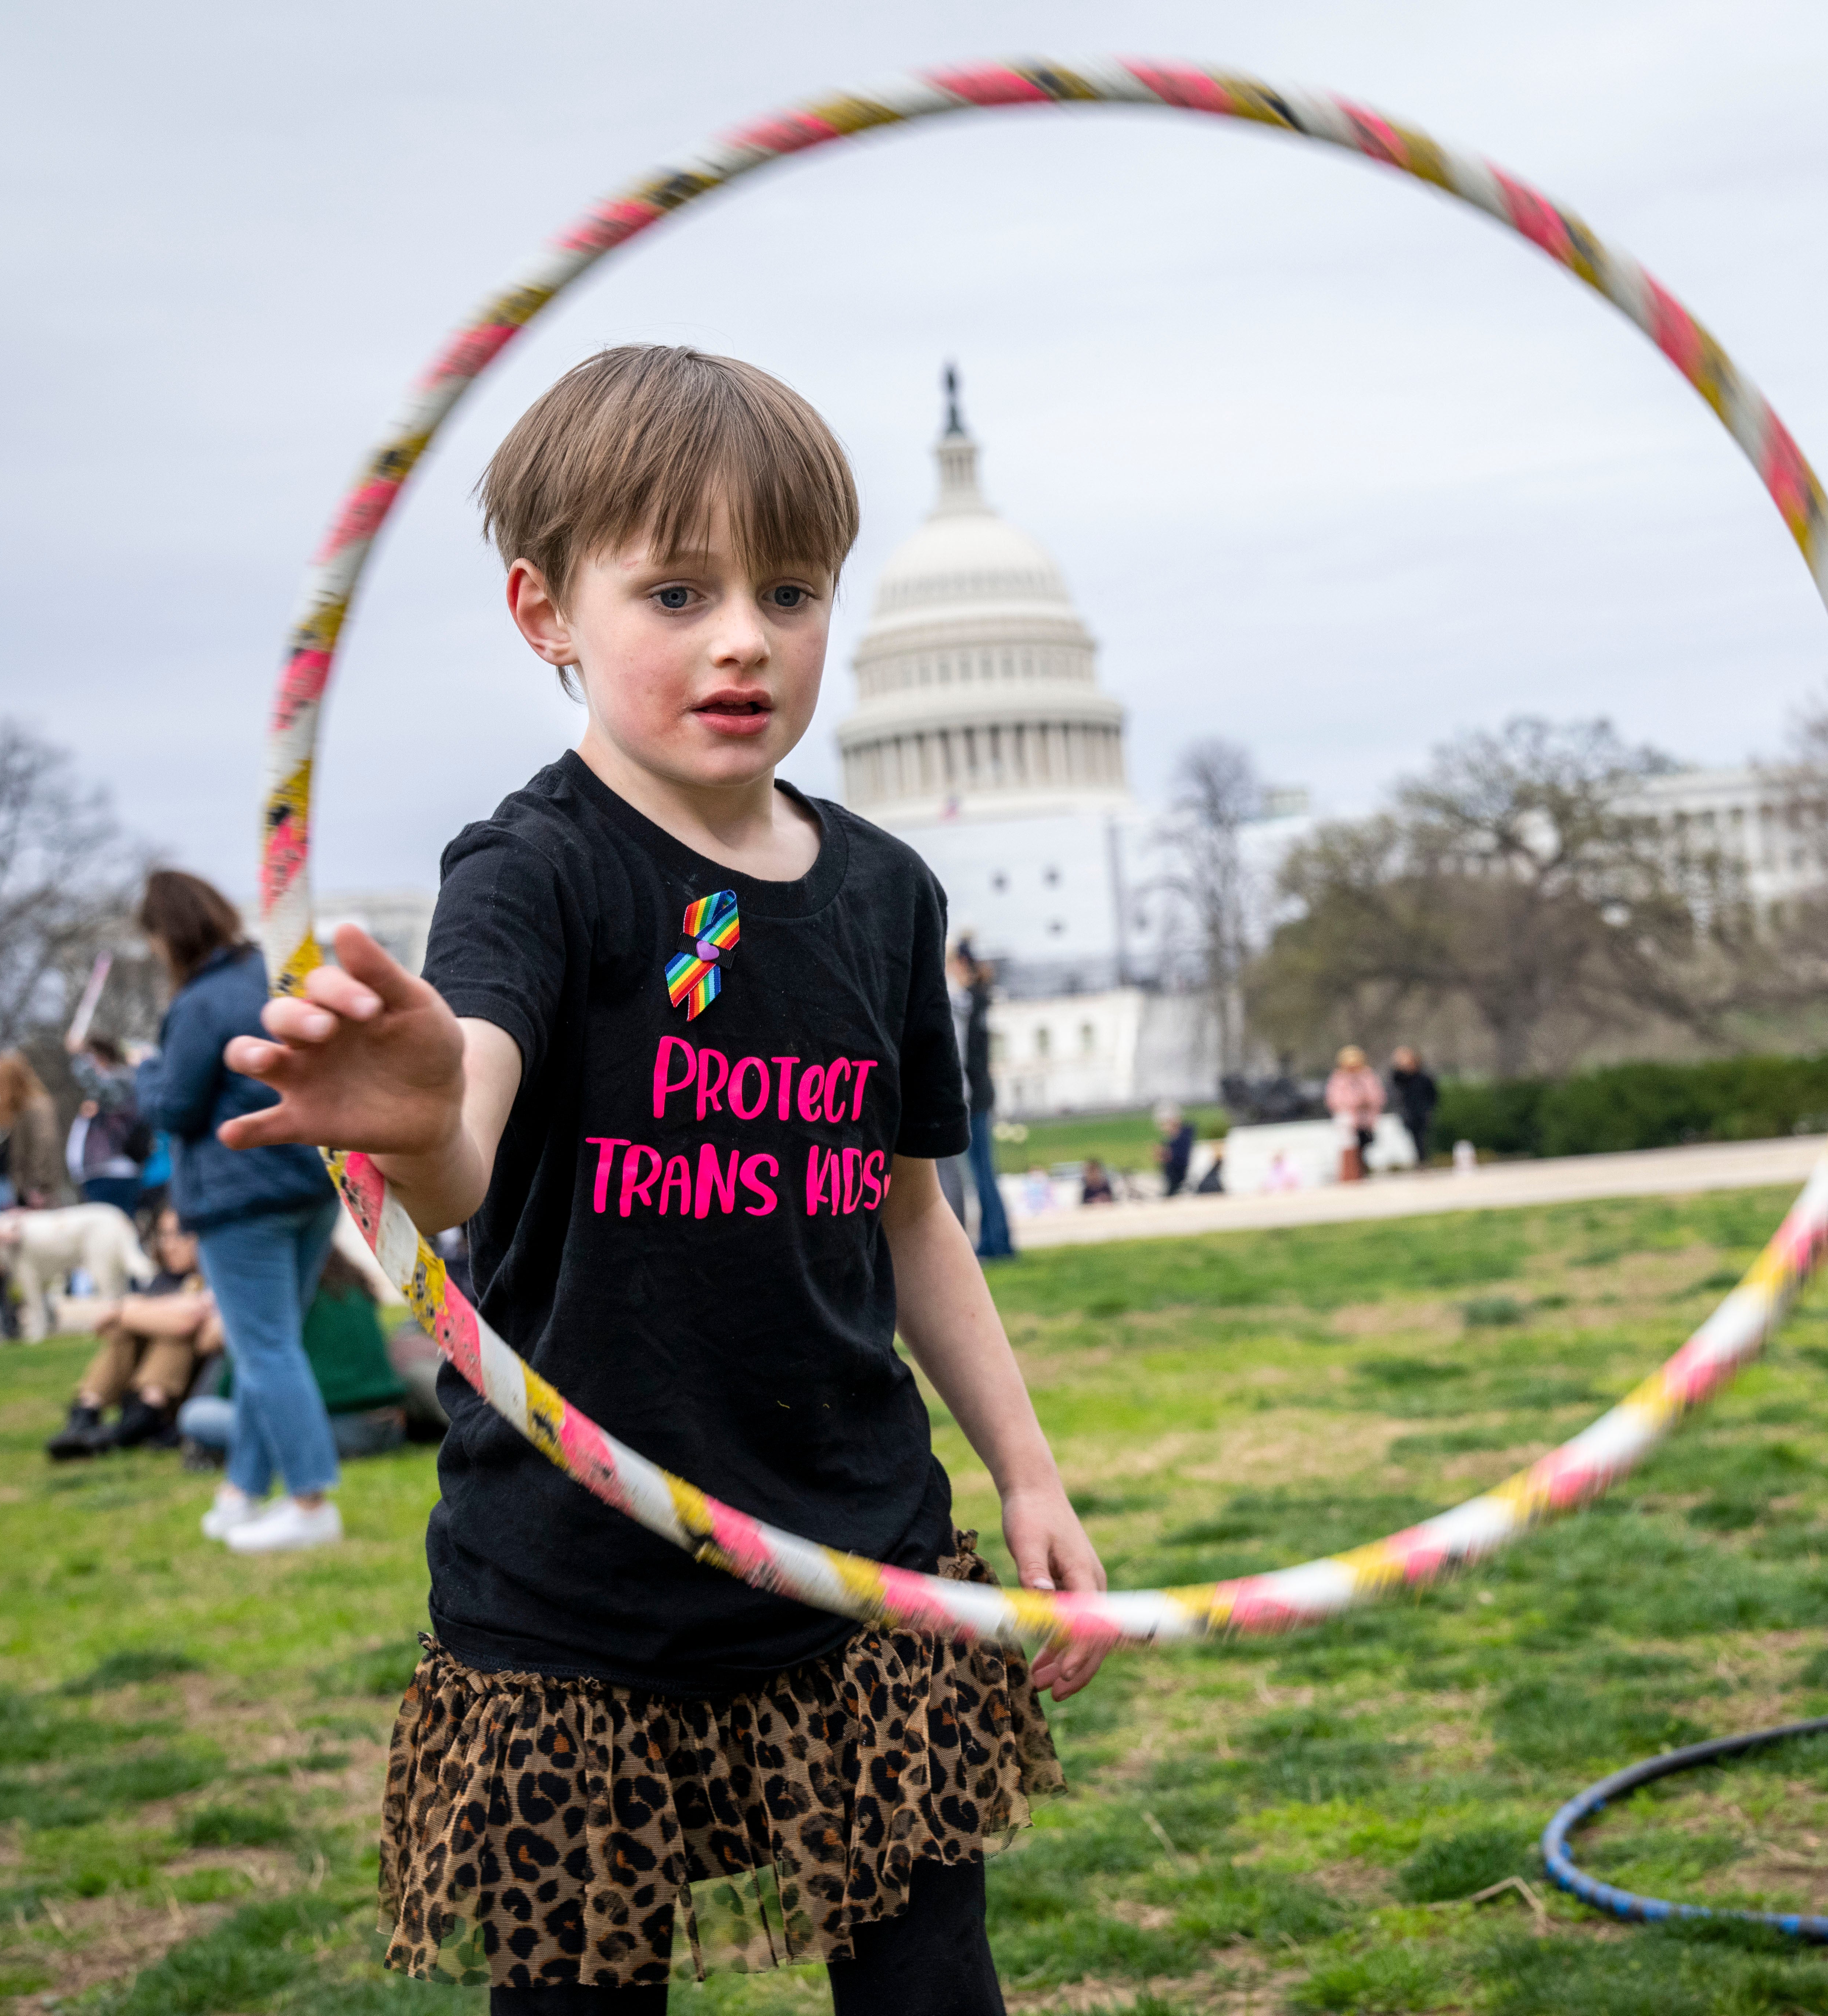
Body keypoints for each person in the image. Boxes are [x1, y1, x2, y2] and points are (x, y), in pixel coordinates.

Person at [216, 346, 1099, 2012]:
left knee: (932, 1989)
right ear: (542, 609)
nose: (743, 637)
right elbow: (463, 1146)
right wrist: (411, 1112)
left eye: (788, 588)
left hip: (858, 1559)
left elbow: (913, 1209)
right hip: (573, 1592)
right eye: (676, 590)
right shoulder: (531, 874)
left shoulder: (886, 894)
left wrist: (1027, 1465)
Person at [139, 868, 348, 1554]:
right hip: (312, 1180)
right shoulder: (279, 971)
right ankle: (241, 1493)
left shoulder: (198, 1004)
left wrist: (144, 1071)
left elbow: (174, 1107)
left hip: (239, 1194)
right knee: (273, 1344)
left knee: (263, 1348)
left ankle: (311, 1501)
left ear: (167, 936)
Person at [179, 1247, 408, 1463]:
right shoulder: (353, 1284)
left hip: (336, 1430)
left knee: (196, 1415)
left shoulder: (284, 1294)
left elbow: (234, 1387)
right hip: (392, 1427)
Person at [46, 1207, 221, 1458]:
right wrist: (131, 1311)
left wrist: (124, 1309)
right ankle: (86, 1412)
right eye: (164, 1236)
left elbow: (188, 1320)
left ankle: (146, 1412)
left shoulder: (214, 1277)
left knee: (169, 1331)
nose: (170, 1245)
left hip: (190, 1389)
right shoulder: (165, 1279)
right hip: (142, 1383)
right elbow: (104, 1326)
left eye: (179, 1235)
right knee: (127, 1331)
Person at [947, 939, 1016, 1260]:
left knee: (982, 1175)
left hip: (974, 1096)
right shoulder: (981, 999)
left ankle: (996, 1241)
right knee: (985, 1173)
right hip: (982, 1093)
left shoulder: (968, 1002)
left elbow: (965, 1055)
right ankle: (994, 1240)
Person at [68, 1036, 148, 1215]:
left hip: (116, 1174)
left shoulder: (122, 1081)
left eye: (90, 1057)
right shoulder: (102, 1092)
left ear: (102, 1057)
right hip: (97, 1175)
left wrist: (79, 1058)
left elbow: (103, 1089)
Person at [0, 1051, 73, 1211]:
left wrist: (39, 1187)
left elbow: (46, 1144)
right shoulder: (20, 1109)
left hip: (37, 1193)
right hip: (24, 1191)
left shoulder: (37, 1106)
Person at [1325, 1044, 1384, 1182]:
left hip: (1366, 1119)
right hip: (1349, 1120)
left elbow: (1377, 1096)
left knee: (1365, 1144)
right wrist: (1354, 1103)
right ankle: (1354, 1173)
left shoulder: (1368, 1076)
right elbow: (1335, 1100)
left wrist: (1367, 1102)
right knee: (1350, 1146)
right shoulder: (1339, 1079)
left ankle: (1362, 1169)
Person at [1389, 1046, 1440, 1167]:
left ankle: (1424, 1160)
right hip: (1408, 1112)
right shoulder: (1401, 1078)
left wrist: (1429, 1108)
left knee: (1423, 1137)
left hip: (1423, 1111)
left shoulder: (1423, 1077)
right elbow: (1395, 1083)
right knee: (1413, 1138)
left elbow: (1433, 1094)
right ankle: (1420, 1160)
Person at [1152, 1101, 1196, 1196]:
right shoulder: (1171, 1140)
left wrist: (1166, 1155)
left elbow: (1182, 1161)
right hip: (1173, 1183)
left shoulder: (1186, 1136)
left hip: (1181, 1184)